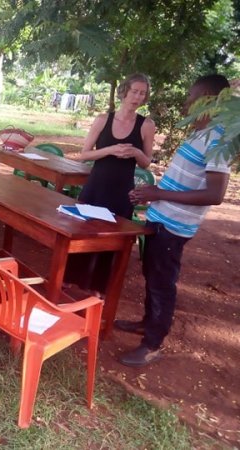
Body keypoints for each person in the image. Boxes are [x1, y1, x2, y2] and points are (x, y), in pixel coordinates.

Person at [116, 74, 232, 367]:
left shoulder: (219, 140)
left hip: (175, 226)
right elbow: (183, 182)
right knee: (152, 276)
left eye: (191, 98)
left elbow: (215, 194)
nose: (186, 103)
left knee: (162, 283)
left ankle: (153, 343)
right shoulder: (199, 133)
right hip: (160, 217)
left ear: (208, 101)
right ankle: (147, 322)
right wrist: (152, 195)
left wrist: (159, 192)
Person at [64, 73, 156, 296]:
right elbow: (84, 154)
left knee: (111, 238)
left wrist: (135, 152)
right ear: (124, 91)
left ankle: (98, 287)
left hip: (122, 189)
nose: (137, 97)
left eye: (142, 93)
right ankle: (69, 278)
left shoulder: (146, 125)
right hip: (96, 185)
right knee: (81, 231)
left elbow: (146, 163)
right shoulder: (103, 120)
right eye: (134, 91)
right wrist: (110, 150)